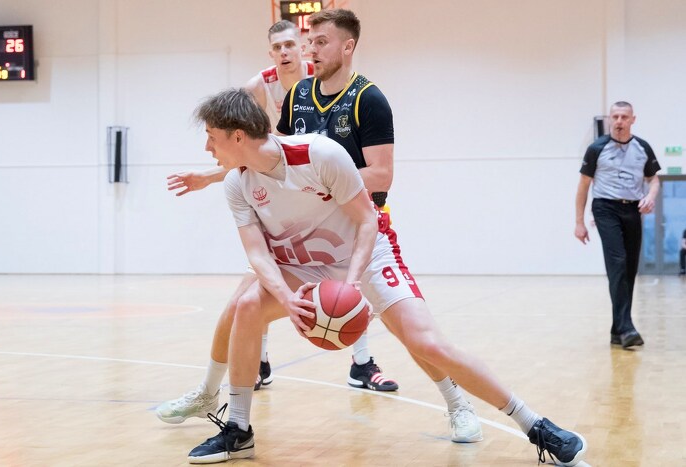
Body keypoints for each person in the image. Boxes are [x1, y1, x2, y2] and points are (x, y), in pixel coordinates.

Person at [186, 87, 587, 466]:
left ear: (238, 136)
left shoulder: (320, 154)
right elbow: (257, 254)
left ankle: (535, 425)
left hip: (368, 256)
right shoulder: (238, 183)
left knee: (427, 343)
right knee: (247, 306)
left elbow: (366, 221)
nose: (207, 148)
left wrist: (351, 284)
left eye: (211, 137)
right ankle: (238, 428)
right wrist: (287, 299)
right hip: (306, 265)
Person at [156, 20, 397, 427]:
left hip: (340, 209)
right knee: (244, 302)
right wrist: (209, 177)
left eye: (296, 44)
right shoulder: (271, 90)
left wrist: (326, 184)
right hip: (289, 210)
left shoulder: (345, 94)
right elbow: (255, 154)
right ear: (270, 53)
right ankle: (240, 376)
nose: (290, 52)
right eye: (279, 46)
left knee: (377, 309)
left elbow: (295, 158)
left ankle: (367, 363)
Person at [275, 9, 482, 442]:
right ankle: (226, 404)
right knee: (245, 304)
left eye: (321, 42)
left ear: (348, 46)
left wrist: (323, 182)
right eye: (310, 42)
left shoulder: (369, 99)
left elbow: (382, 174)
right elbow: (280, 158)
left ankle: (457, 402)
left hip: (363, 228)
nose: (311, 50)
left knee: (410, 332)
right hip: (312, 232)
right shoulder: (296, 97)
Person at [574, 101, 661, 349]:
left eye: (624, 117)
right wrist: (579, 222)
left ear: (633, 119)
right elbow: (583, 186)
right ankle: (627, 327)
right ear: (610, 119)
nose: (619, 121)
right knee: (618, 262)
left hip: (632, 210)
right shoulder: (596, 149)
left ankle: (617, 331)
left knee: (629, 269)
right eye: (615, 117)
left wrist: (650, 197)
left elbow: (654, 180)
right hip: (605, 208)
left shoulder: (643, 147)